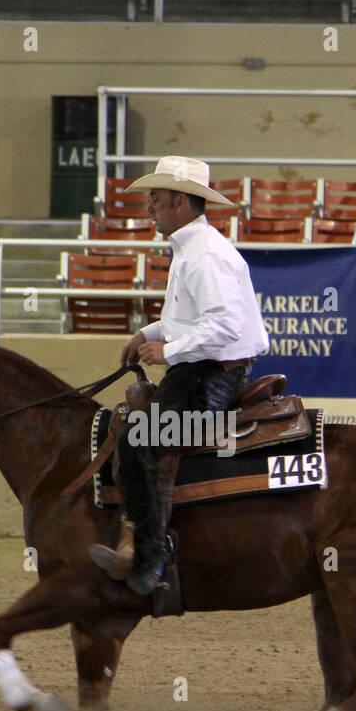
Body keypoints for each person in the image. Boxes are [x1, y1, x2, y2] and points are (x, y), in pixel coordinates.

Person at [88, 156, 270, 595]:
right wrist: (148, 333)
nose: (149, 206)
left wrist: (168, 351)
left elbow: (224, 325)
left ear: (180, 201)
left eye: (156, 198)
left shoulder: (205, 256)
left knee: (137, 439)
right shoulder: (193, 249)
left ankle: (151, 555)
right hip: (201, 372)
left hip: (211, 380)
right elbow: (189, 318)